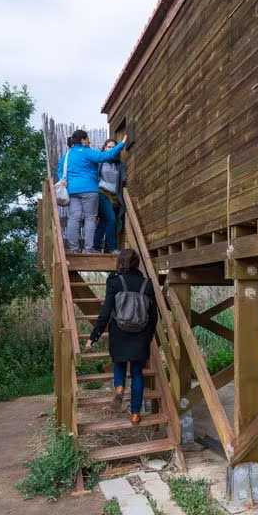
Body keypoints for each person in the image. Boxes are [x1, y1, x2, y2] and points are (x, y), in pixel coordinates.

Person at [86, 248, 158, 425]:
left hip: (119, 332)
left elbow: (105, 312)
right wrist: (148, 337)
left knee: (119, 362)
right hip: (140, 334)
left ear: (120, 263)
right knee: (137, 373)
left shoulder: (114, 282)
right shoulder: (146, 284)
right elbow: (154, 315)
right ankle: (135, 415)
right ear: (137, 263)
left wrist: (93, 337)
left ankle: (119, 388)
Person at [65, 129, 125, 253]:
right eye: (87, 139)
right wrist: (122, 144)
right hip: (92, 190)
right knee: (90, 218)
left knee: (75, 217)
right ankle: (89, 249)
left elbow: (61, 169)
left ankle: (74, 248)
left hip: (73, 190)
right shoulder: (88, 153)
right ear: (82, 140)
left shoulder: (68, 155)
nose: (89, 141)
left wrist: (62, 180)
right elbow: (105, 156)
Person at [92, 138, 126, 253]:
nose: (111, 149)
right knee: (111, 219)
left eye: (113, 147)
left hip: (114, 196)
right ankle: (113, 248)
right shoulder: (100, 162)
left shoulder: (119, 165)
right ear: (104, 148)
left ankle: (96, 247)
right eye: (109, 147)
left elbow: (124, 179)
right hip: (102, 193)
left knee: (104, 221)